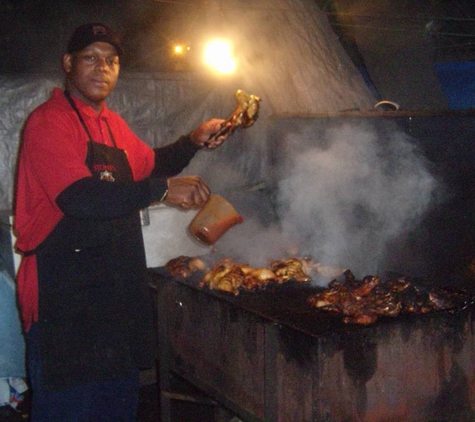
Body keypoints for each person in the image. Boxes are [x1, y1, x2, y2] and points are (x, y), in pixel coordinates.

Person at [13, 22, 231, 421]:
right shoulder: (49, 122)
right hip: (64, 303)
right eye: (90, 58)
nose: (102, 68)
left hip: (113, 298)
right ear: (68, 64)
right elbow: (79, 197)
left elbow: (150, 166)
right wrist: (163, 191)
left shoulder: (113, 126)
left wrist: (192, 141)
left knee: (115, 410)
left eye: (111, 61)